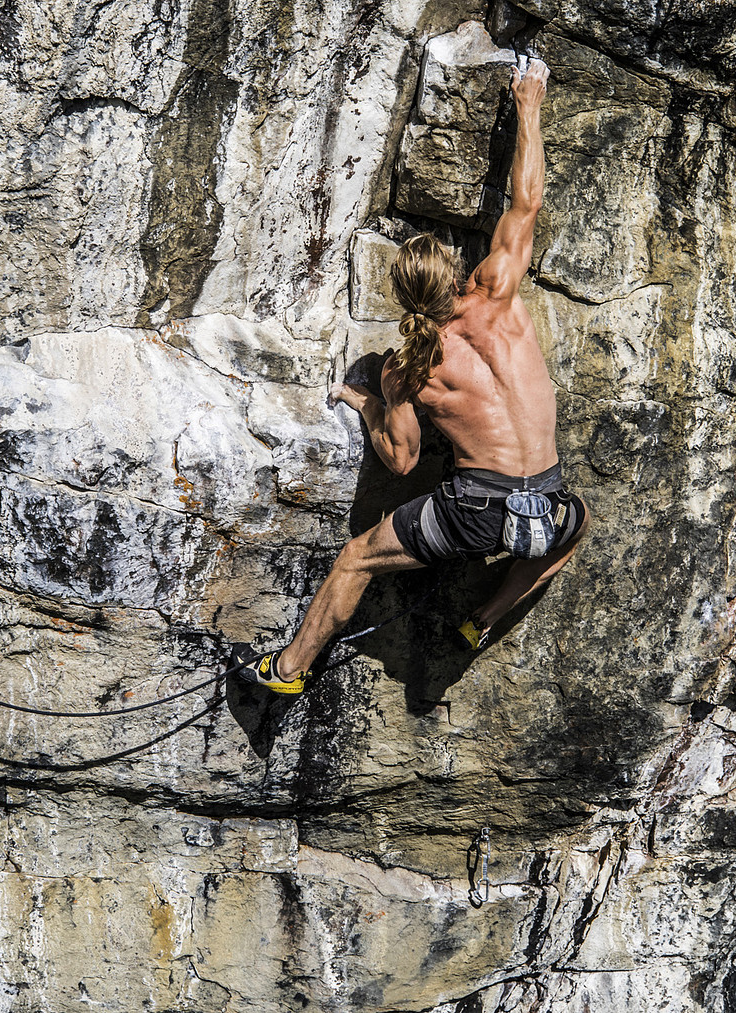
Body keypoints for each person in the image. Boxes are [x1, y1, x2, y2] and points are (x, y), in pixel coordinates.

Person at [235, 58, 589, 695]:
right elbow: (526, 202)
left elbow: (401, 461)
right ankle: (483, 619)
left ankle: (289, 670)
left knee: (355, 559)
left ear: (403, 300)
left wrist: (368, 402)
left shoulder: (409, 369)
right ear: (455, 273)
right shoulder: (498, 293)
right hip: (550, 503)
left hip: (478, 515)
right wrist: (529, 105)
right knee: (578, 524)